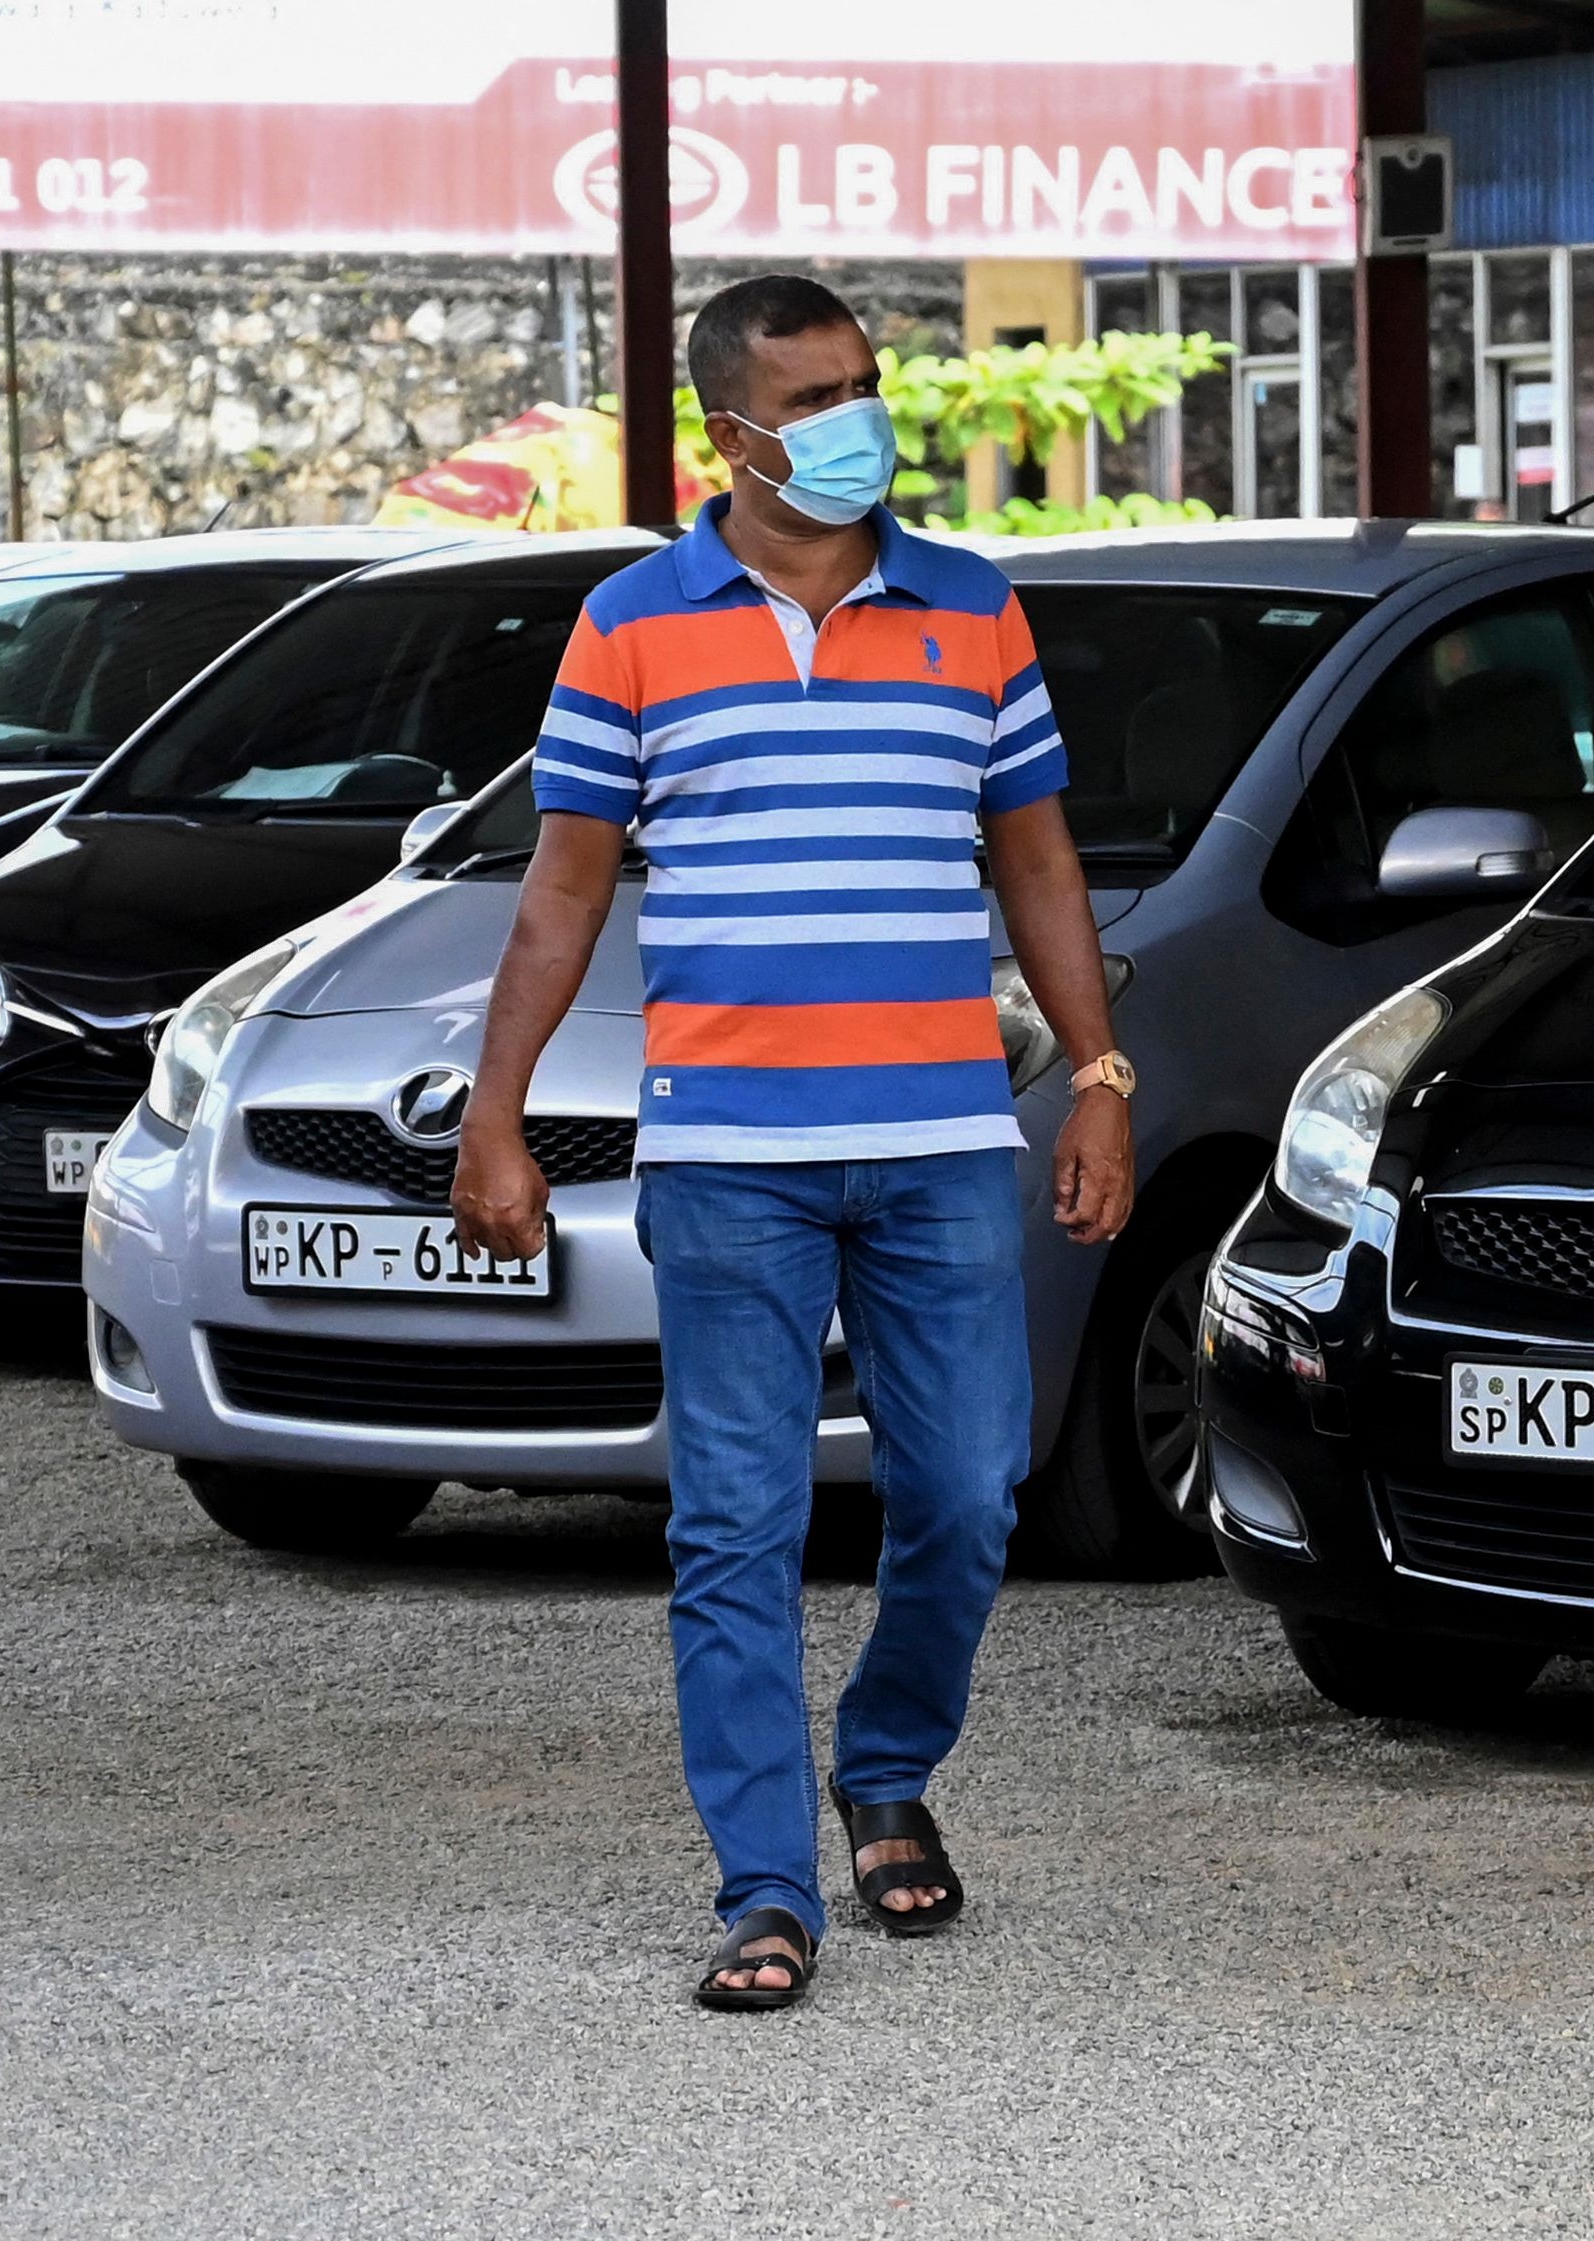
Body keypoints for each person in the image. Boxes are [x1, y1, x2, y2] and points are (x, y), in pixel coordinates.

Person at [451, 273, 1134, 2011]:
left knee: (970, 1491)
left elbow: (1037, 861)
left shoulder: (973, 610)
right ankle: (767, 1887)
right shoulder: (630, 624)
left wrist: (1105, 1075)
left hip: (940, 1139)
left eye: (867, 384)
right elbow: (564, 889)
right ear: (727, 432)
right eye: (816, 395)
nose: (858, 421)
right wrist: (497, 1112)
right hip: (726, 1154)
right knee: (734, 1521)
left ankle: (886, 1760)